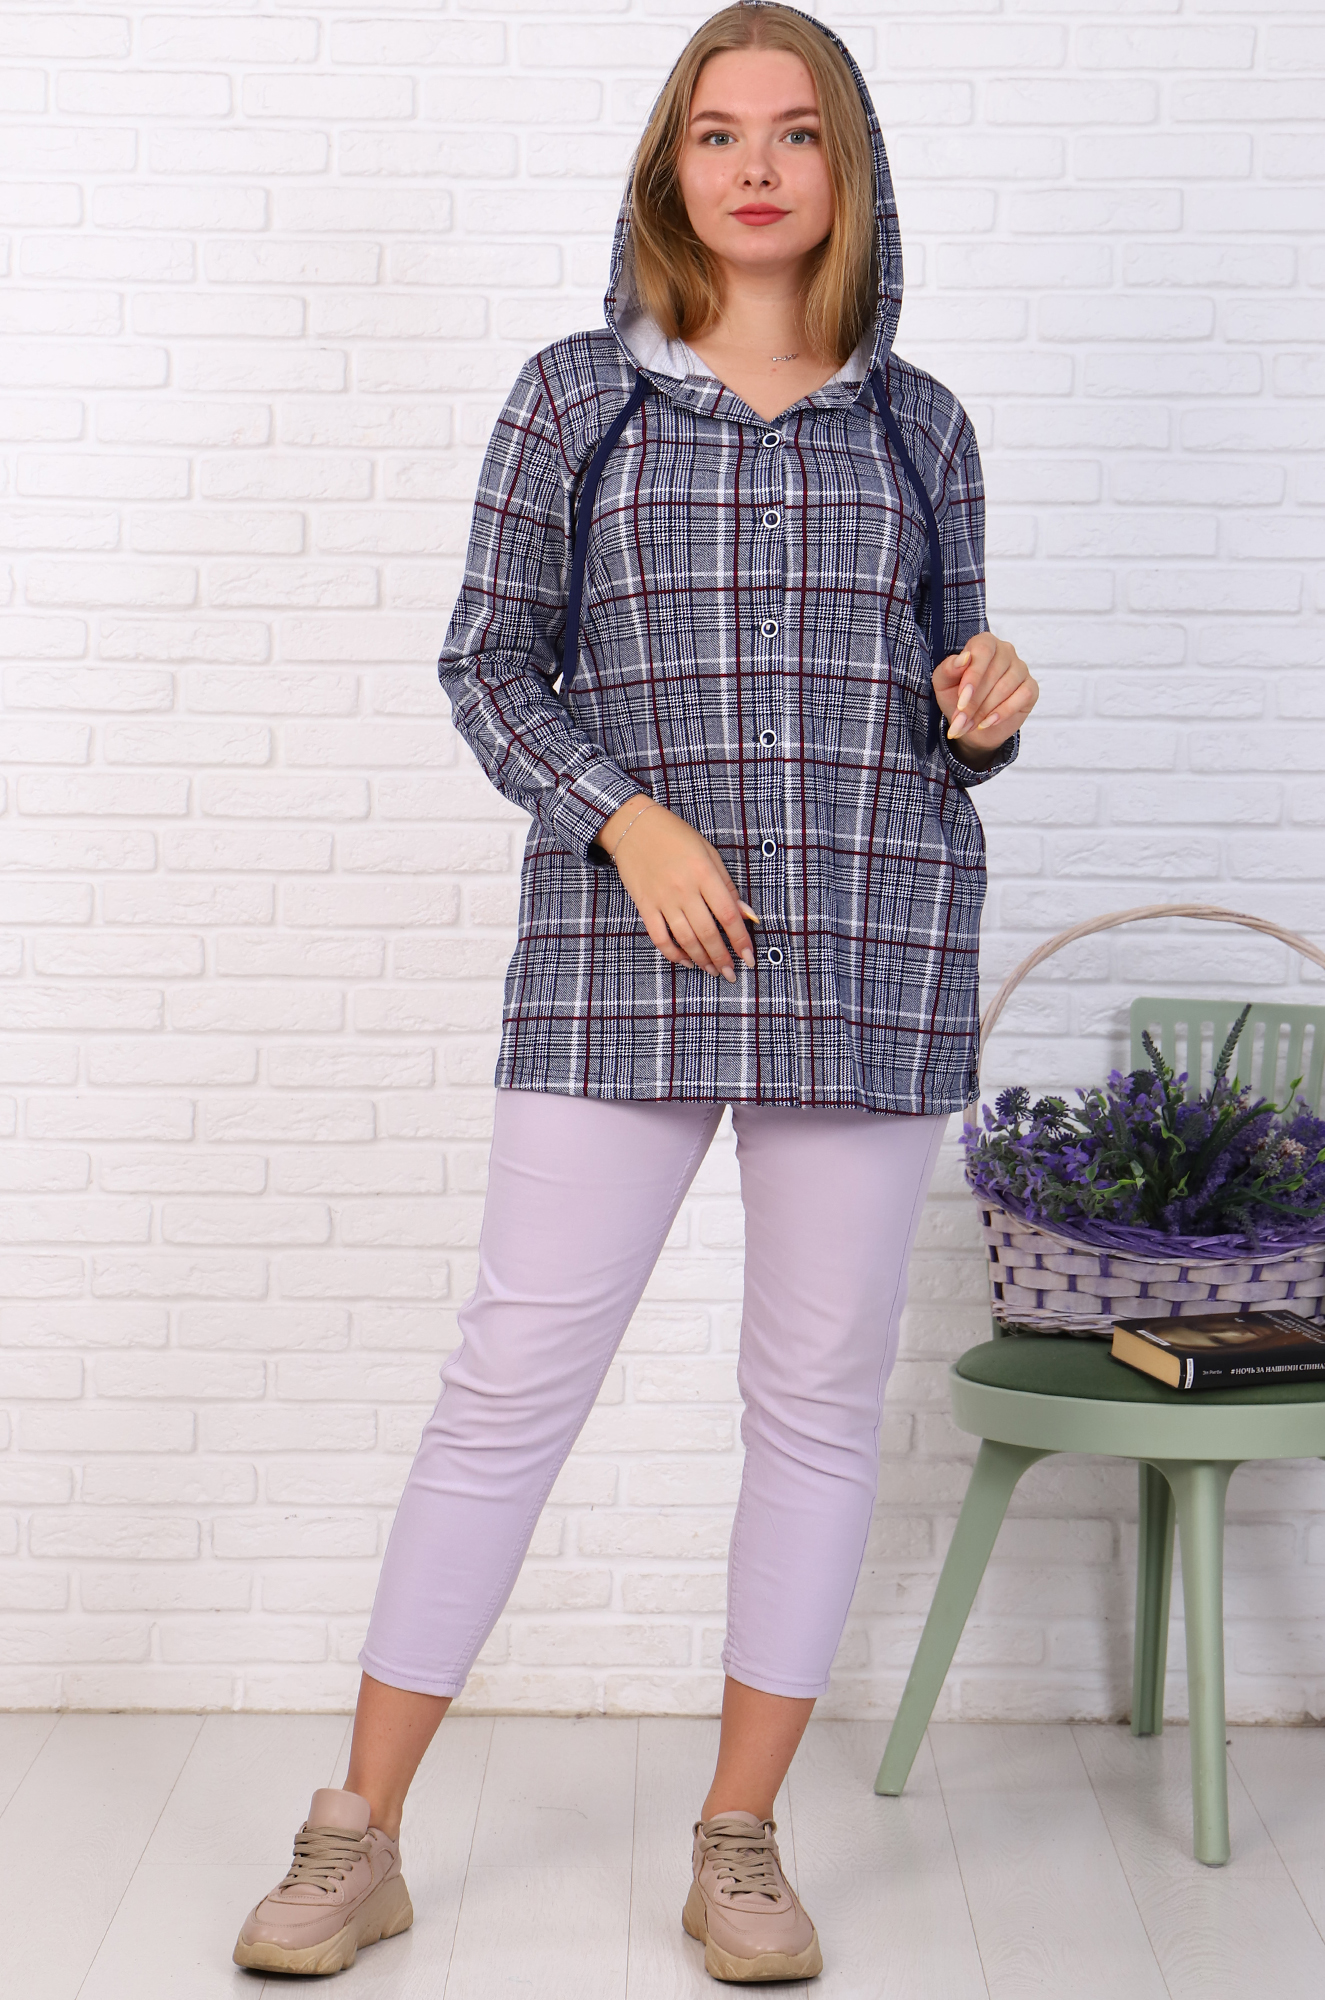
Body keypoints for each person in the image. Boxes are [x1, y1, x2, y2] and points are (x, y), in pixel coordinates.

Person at [232, 2, 1038, 1984]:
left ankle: (738, 1840)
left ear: (848, 169)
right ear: (669, 168)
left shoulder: (923, 426)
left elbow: (948, 706)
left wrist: (984, 710)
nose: (756, 165)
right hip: (620, 951)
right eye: (716, 132)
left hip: (864, 943)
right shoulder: (574, 397)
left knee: (815, 1399)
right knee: (513, 1376)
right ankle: (358, 1831)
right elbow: (487, 661)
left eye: (796, 131)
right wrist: (628, 819)